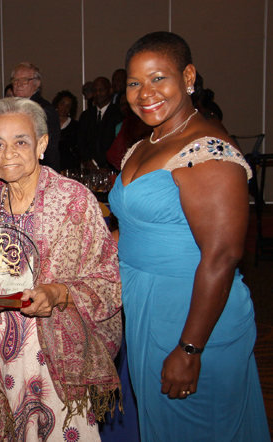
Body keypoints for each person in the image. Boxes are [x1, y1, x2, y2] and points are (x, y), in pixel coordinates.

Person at [109, 31, 269, 441]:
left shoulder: (207, 149)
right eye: (134, 83)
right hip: (147, 310)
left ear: (189, 76)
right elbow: (131, 228)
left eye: (159, 78)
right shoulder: (144, 142)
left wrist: (190, 349)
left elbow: (222, 255)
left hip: (192, 316)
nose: (145, 93)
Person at [0, 97, 122, 441]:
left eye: (20, 141)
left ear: (41, 144)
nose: (8, 153)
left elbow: (108, 281)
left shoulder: (74, 200)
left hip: (53, 361)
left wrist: (57, 293)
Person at [11, 62, 61, 172]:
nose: (19, 84)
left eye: (24, 80)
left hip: (39, 172)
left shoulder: (44, 110)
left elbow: (50, 151)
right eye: (15, 80)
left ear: (36, 83)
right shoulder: (9, 109)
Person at [78, 77, 123, 170]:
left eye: (101, 89)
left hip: (110, 168)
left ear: (110, 91)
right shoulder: (86, 115)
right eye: (95, 90)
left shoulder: (118, 114)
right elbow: (81, 142)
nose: (98, 93)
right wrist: (89, 161)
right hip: (89, 168)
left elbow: (117, 143)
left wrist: (97, 162)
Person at [53, 90, 80, 171]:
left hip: (69, 168)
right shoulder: (49, 124)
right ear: (57, 105)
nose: (64, 108)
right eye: (62, 104)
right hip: (52, 167)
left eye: (68, 106)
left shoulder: (76, 126)